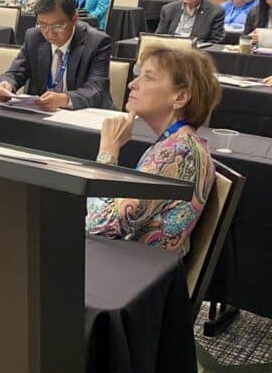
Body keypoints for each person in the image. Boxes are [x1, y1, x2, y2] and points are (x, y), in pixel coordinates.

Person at [84, 47, 220, 253]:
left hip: (136, 272)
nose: (132, 84)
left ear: (181, 97)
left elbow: (99, 224)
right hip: (132, 261)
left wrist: (108, 152)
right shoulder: (176, 142)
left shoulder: (178, 152)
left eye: (148, 78)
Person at [0, 0, 112, 110]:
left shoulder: (96, 42)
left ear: (74, 19)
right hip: (44, 114)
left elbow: (97, 89)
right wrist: (6, 84)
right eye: (43, 25)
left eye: (58, 26)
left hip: (84, 115)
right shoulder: (34, 37)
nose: (50, 33)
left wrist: (64, 99)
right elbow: (16, 72)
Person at [155, 0, 226, 43]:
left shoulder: (215, 12)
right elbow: (158, 37)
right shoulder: (168, 9)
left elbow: (215, 42)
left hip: (196, 51)